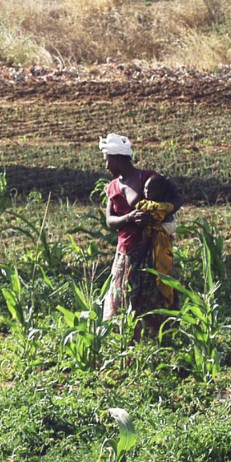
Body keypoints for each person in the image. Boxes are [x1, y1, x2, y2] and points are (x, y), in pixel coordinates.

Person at [100, 133, 181, 335]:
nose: (106, 166)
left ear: (117, 158)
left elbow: (177, 198)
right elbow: (110, 221)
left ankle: (160, 336)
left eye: (107, 160)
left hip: (154, 248)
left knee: (154, 293)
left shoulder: (149, 178)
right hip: (127, 250)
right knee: (123, 294)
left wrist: (161, 212)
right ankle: (128, 339)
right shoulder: (112, 187)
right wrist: (129, 218)